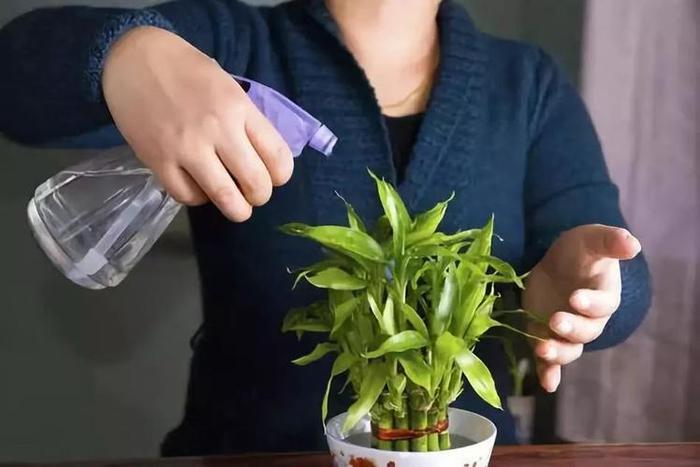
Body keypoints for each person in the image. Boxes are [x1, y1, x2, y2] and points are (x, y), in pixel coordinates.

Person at [0, 0, 651, 455]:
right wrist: (130, 54)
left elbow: (613, 267)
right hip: (242, 450)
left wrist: (578, 294)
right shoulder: (234, 45)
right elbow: (17, 79)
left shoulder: (527, 84)